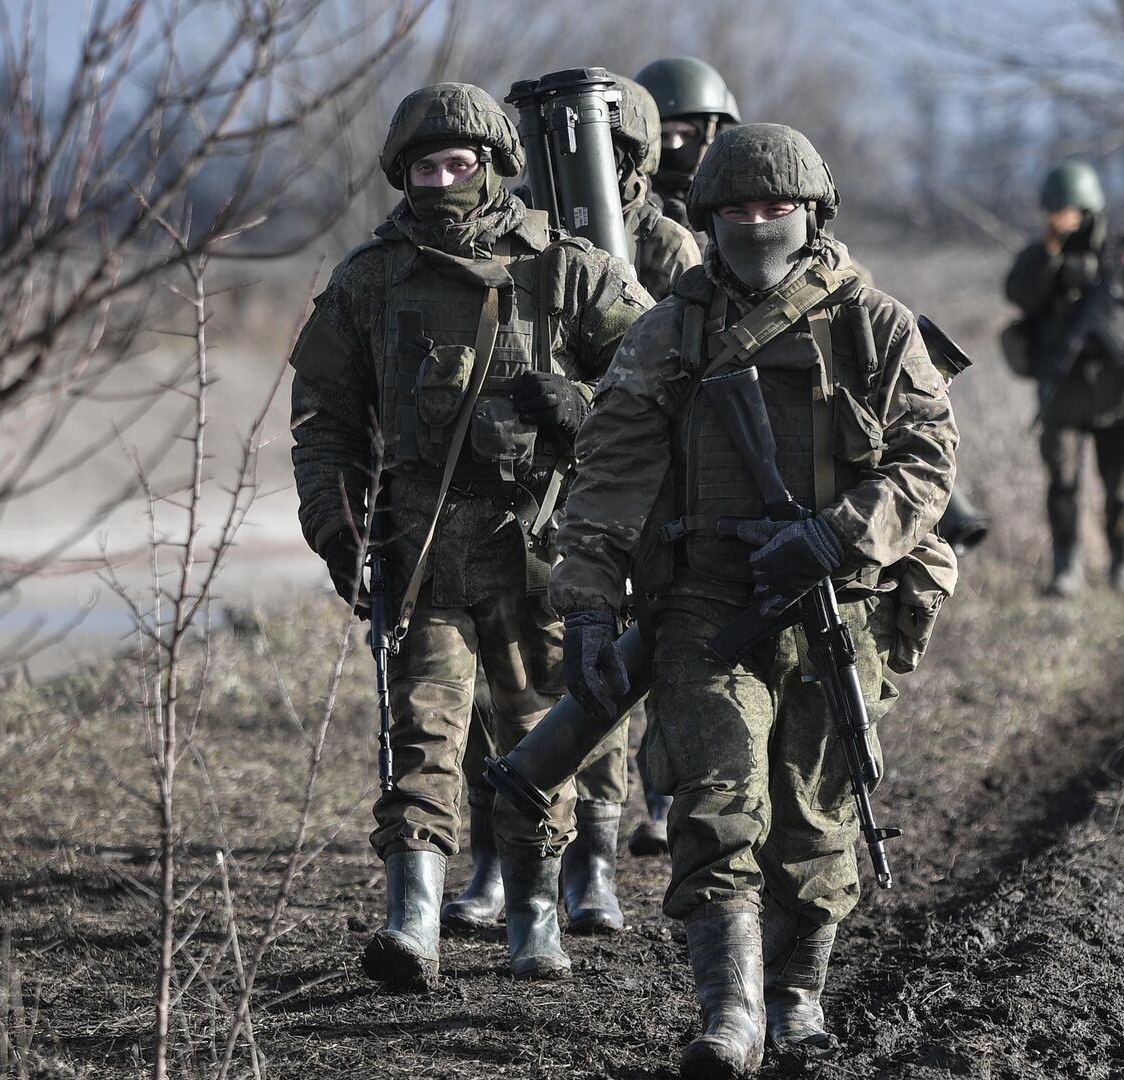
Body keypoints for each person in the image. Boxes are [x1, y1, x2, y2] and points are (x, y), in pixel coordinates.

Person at [547, 123, 957, 1078]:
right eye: (737, 211)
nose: (759, 224)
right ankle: (730, 1012)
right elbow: (610, 471)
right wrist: (592, 601)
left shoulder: (874, 323)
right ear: (709, 218)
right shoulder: (670, 328)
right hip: (705, 602)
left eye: (777, 209)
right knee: (717, 802)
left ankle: (797, 994)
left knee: (817, 819)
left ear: (814, 213)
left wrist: (836, 533)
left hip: (836, 603)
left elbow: (928, 463)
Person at [287, 82, 650, 988]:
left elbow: (659, 383)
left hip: (541, 556)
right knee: (420, 739)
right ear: (400, 174)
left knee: (537, 742)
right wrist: (338, 530)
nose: (443, 179)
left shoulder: (565, 269)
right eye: (425, 166)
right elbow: (323, 422)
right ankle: (412, 923)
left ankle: (536, 918)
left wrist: (581, 405)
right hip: (419, 559)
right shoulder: (369, 282)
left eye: (460, 163)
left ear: (494, 166)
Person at [548, 73, 704, 932]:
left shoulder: (668, 246)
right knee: (567, 673)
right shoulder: (541, 241)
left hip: (651, 491)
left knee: (645, 671)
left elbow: (680, 380)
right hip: (556, 492)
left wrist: (584, 404)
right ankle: (547, 861)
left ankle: (605, 852)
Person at [1003, 158, 1124, 598]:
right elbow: (1019, 296)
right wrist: (1048, 250)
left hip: (1122, 391)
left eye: (1065, 209)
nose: (1057, 217)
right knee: (1062, 483)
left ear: (1087, 208)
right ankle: (1067, 567)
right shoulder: (1040, 255)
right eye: (1051, 210)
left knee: (1122, 485)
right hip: (1063, 392)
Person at [633, 56, 741, 231]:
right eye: (663, 136)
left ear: (712, 132)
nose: (675, 145)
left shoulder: (738, 199)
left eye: (687, 134)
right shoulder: (628, 200)